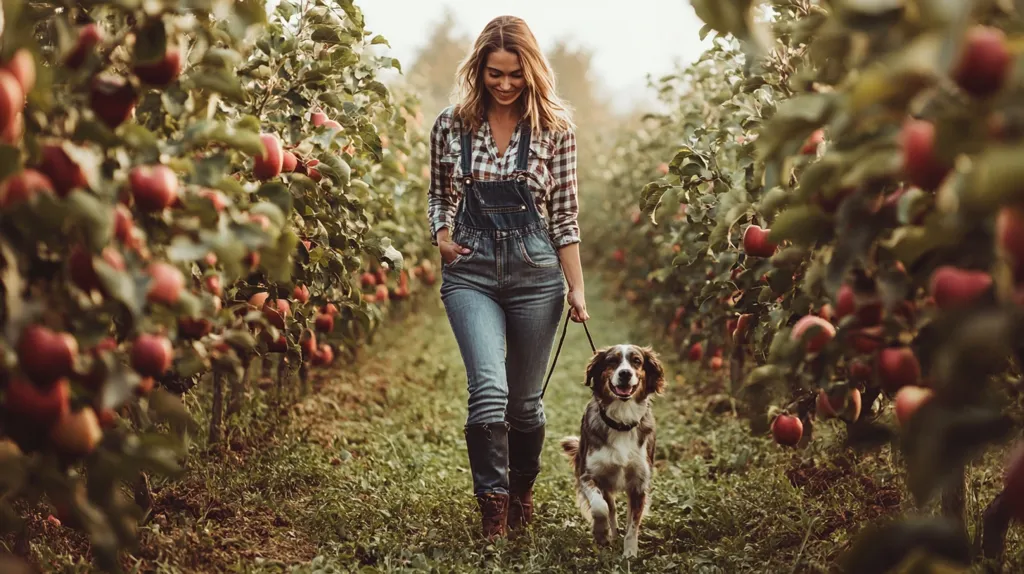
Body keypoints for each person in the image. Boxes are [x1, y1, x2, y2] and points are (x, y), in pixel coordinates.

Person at [427, 14, 589, 541]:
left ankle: (522, 491)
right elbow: (438, 194)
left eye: (514, 74)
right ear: (478, 68)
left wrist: (577, 286)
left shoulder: (554, 130)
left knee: (523, 401)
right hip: (470, 272)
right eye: (494, 73)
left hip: (535, 274)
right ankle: (492, 509)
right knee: (489, 391)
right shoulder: (451, 124)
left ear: (531, 72)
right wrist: (442, 235)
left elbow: (564, 215)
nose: (503, 84)